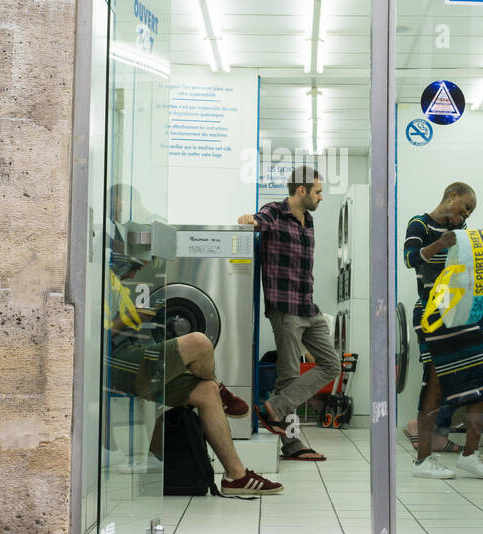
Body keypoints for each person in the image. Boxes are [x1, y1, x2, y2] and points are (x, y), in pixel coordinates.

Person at [106, 269, 281, 495]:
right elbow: (94, 335)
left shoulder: (116, 282)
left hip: (133, 356)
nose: (137, 270)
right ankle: (220, 388)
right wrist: (128, 319)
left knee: (207, 391)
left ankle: (236, 476)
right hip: (115, 364)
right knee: (200, 342)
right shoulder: (98, 277)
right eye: (136, 265)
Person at [238, 165, 338, 462]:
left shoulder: (308, 221)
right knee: (290, 375)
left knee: (331, 365)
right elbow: (258, 220)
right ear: (302, 190)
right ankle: (292, 445)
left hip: (308, 307)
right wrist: (249, 219)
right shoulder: (275, 211)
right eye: (318, 191)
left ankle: (277, 406)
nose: (321, 197)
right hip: (285, 308)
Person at [403, 182, 483, 479]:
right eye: (465, 207)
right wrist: (439, 244)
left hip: (461, 313)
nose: (466, 214)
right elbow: (410, 258)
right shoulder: (420, 224)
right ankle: (423, 460)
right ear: (452, 197)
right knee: (435, 384)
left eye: (470, 212)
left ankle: (470, 454)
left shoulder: (461, 230)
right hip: (433, 313)